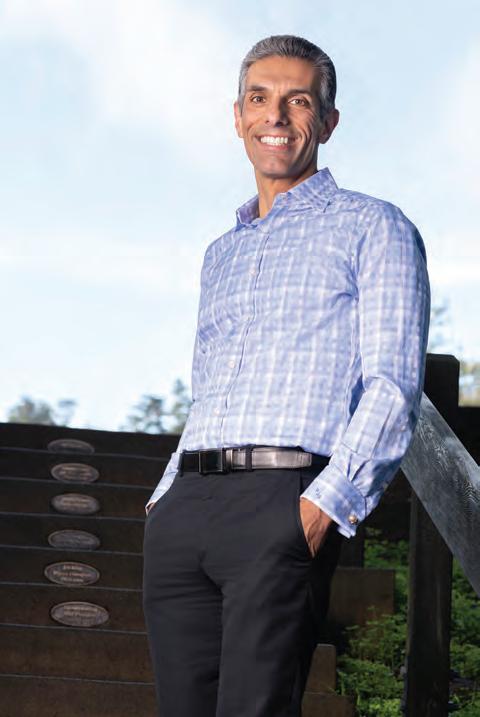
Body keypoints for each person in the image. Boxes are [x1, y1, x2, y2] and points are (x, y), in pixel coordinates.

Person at [142, 34, 431, 717]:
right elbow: (209, 386)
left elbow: (392, 384)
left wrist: (324, 504)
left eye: (298, 101)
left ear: (327, 122)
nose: (275, 115)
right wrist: (164, 497)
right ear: (238, 116)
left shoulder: (374, 226)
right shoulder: (221, 253)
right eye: (259, 98)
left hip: (284, 499)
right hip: (186, 511)